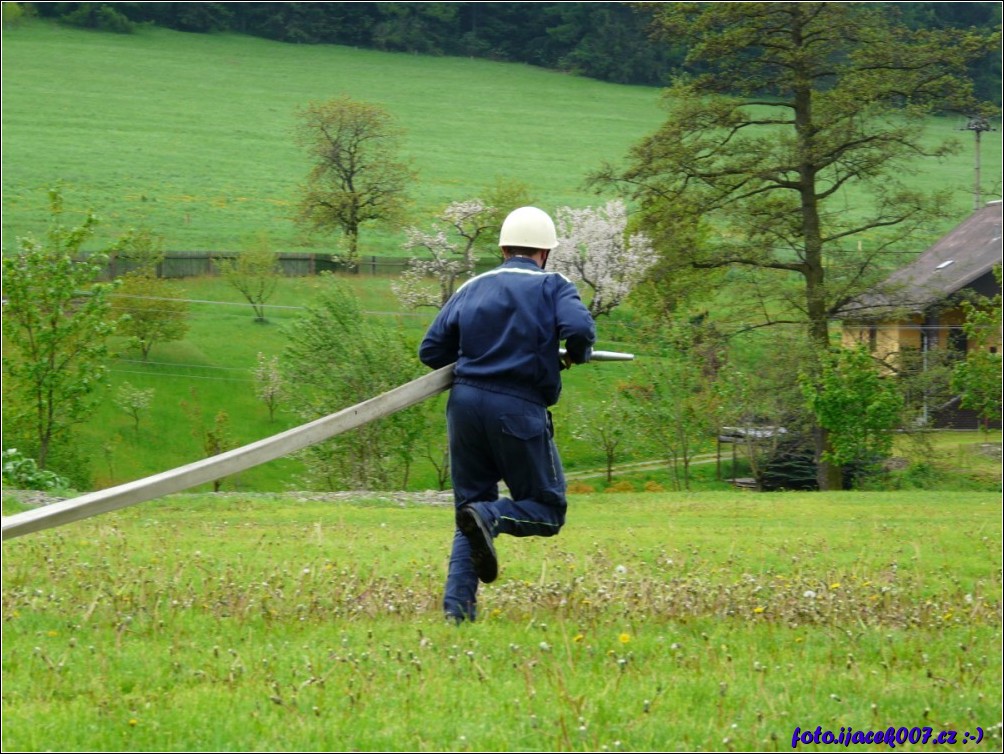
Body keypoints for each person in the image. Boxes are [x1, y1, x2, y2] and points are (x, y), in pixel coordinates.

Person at [419, 206, 597, 623]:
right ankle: (491, 516)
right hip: (516, 407)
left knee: (468, 513)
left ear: (502, 247)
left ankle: (456, 616)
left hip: (463, 407)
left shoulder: (472, 286)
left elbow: (431, 351)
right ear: (545, 253)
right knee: (547, 510)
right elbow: (581, 331)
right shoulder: (554, 285)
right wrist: (574, 356)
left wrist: (476, 353)